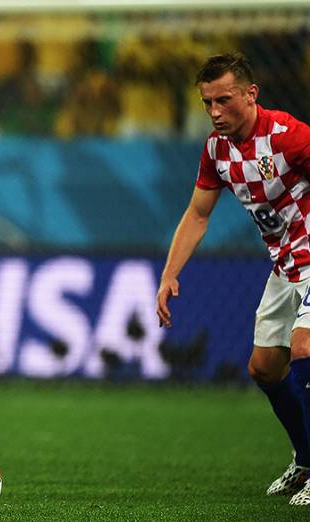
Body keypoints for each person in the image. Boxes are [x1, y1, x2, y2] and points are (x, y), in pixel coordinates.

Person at [156, 52, 310, 507]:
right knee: (264, 367)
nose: (215, 112)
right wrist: (169, 274)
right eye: (207, 103)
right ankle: (305, 459)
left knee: (304, 345)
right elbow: (198, 214)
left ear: (251, 94)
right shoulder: (216, 151)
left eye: (224, 100)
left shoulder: (289, 136)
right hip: (285, 266)